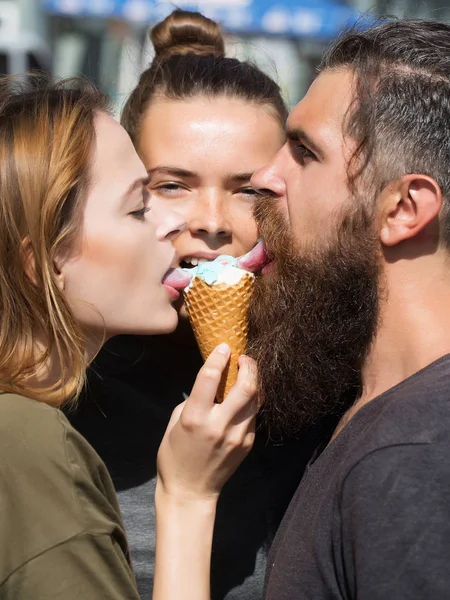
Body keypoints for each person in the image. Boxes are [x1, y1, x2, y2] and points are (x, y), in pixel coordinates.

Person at [70, 10, 334, 600]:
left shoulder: (334, 385)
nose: (212, 224)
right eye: (171, 185)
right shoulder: (60, 391)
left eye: (247, 189)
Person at [0, 74, 258, 599]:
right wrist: (187, 496)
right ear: (45, 262)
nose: (179, 224)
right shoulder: (27, 442)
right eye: (141, 205)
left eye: (250, 188)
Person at [239, 17, 450, 598]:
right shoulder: (371, 412)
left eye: (305, 153)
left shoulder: (417, 460)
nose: (263, 176)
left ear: (404, 208)